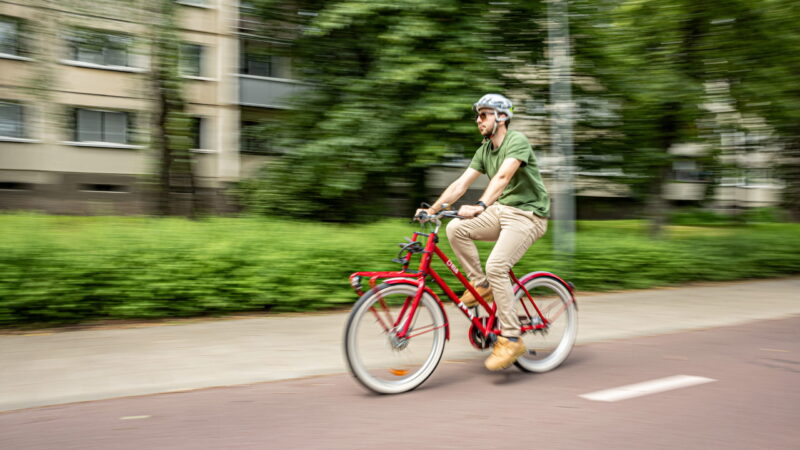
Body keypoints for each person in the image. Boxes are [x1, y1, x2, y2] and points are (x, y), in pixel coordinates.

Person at [415, 93, 550, 371]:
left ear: (501, 117)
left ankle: (511, 338)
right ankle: (481, 285)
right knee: (455, 228)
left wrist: (481, 205)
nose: (478, 120)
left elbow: (503, 177)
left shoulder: (517, 141)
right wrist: (433, 209)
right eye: (478, 115)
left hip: (528, 215)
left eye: (484, 114)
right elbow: (460, 184)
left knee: (497, 265)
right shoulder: (484, 150)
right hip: (502, 211)